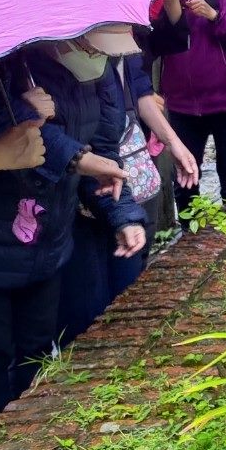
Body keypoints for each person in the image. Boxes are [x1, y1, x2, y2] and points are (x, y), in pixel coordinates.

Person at [0, 26, 146, 431]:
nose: (95, 56)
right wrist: (30, 114)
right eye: (87, 45)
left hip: (50, 238)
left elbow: (104, 156)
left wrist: (123, 215)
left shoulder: (98, 78)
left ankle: (30, 434)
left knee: (37, 346)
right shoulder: (4, 62)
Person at [55, 54, 200, 345]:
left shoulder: (124, 47)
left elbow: (140, 94)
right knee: (87, 309)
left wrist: (174, 144)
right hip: (75, 192)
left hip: (123, 183)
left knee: (128, 292)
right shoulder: (55, 56)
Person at [157, 0, 226, 218]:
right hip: (183, 106)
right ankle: (191, 239)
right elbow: (154, 44)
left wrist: (214, 16)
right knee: (185, 178)